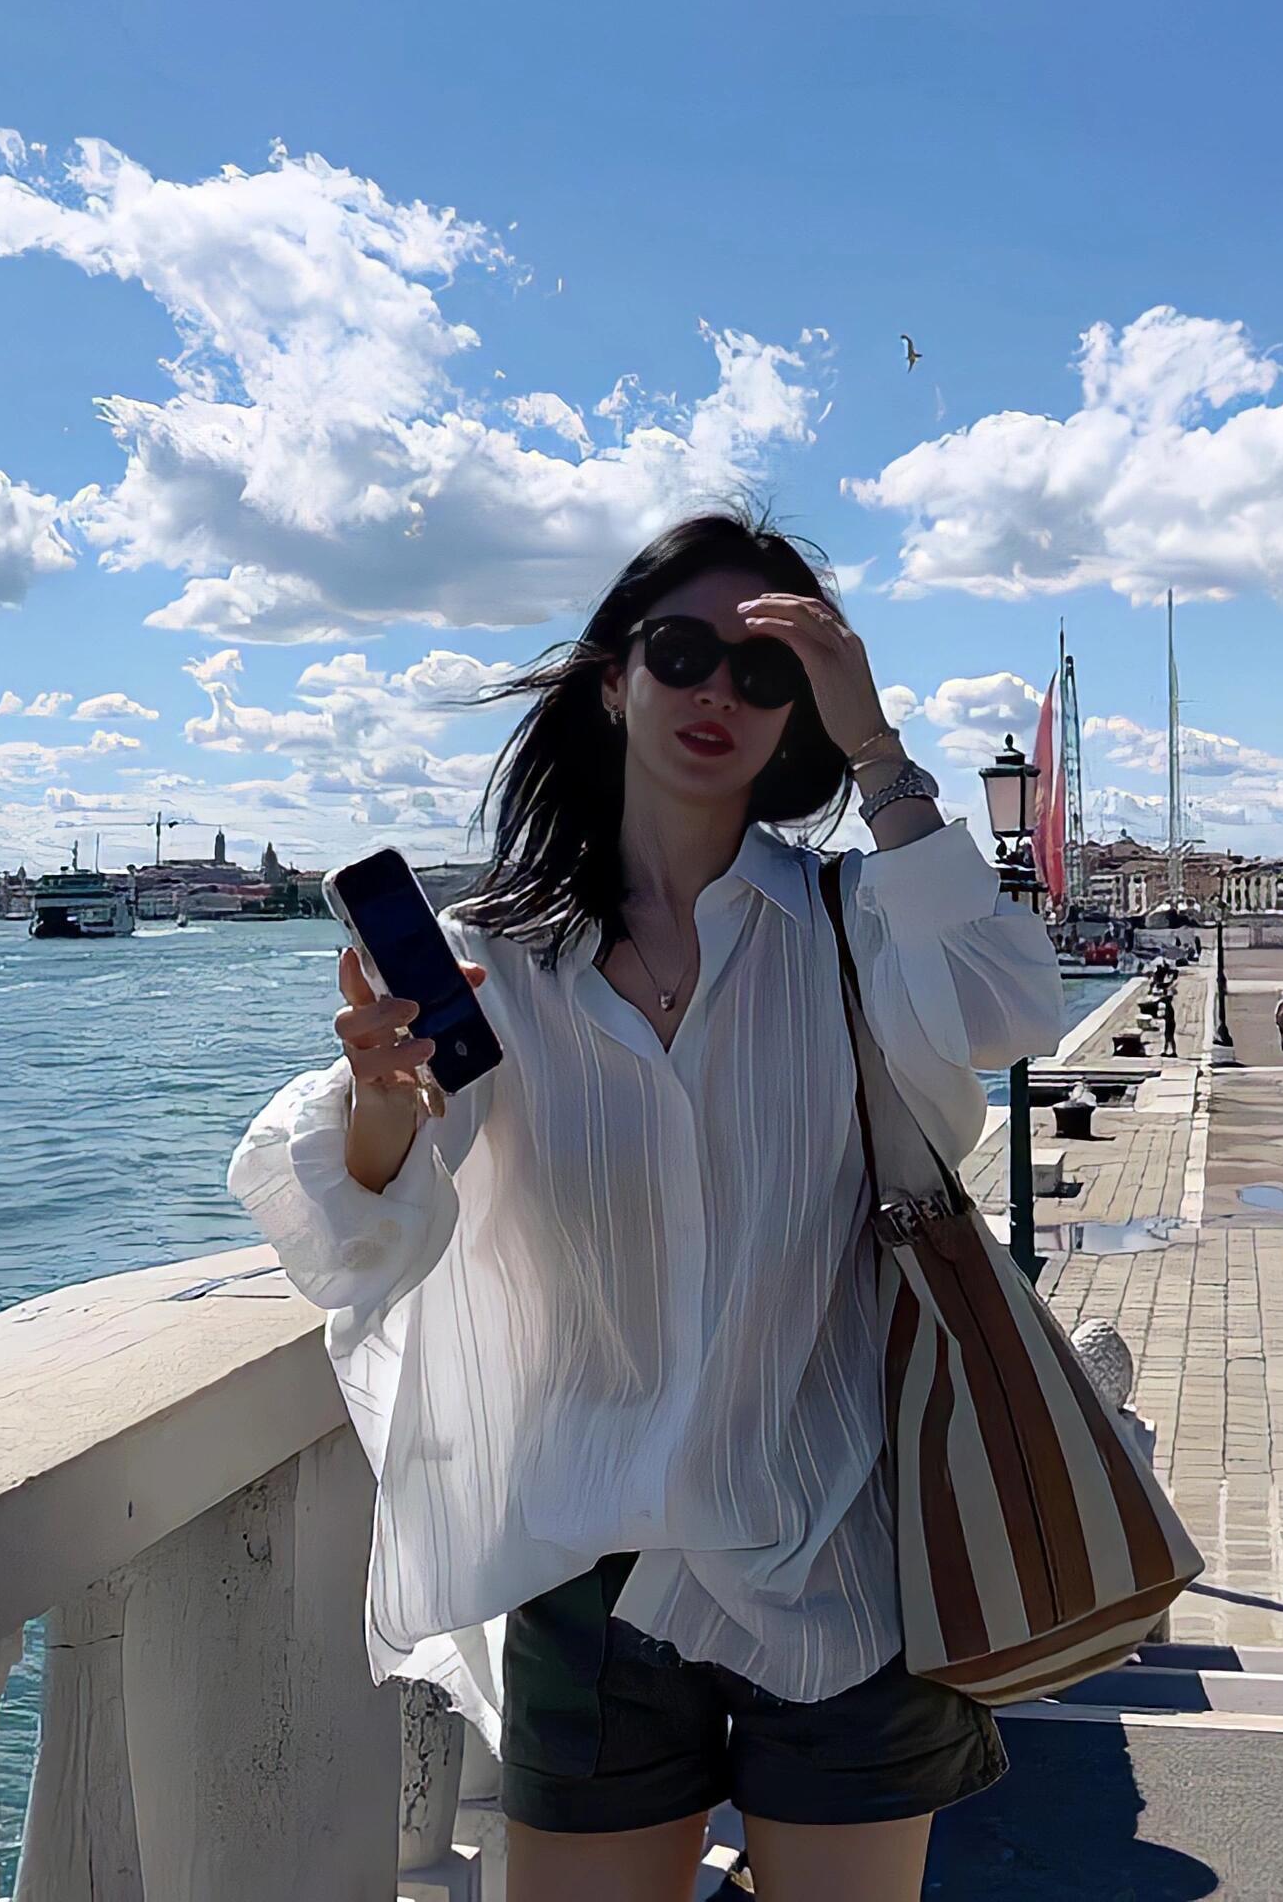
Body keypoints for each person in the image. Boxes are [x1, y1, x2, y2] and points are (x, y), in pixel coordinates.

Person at [229, 512, 1064, 1902]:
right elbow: (357, 1234)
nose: (719, 690)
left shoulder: (852, 925)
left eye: (767, 670)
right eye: (683, 653)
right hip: (591, 1579)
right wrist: (382, 1105)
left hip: (846, 1553)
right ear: (614, 681)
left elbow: (1015, 1001)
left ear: (799, 713)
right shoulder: (496, 963)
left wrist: (878, 749)